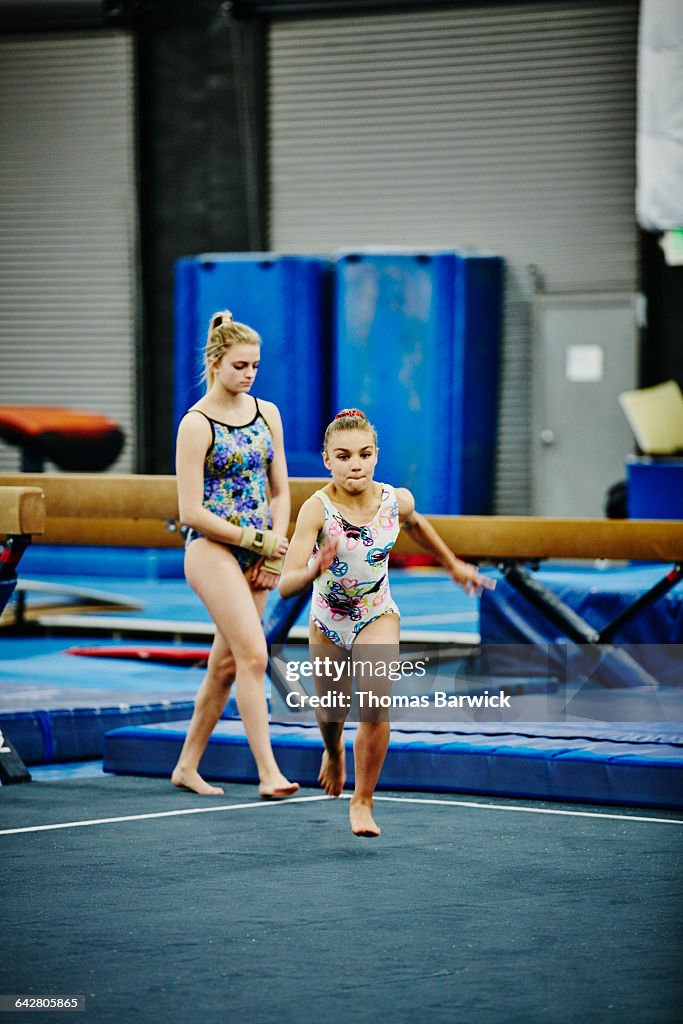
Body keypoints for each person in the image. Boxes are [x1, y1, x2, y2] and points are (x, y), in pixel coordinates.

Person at [278, 408, 495, 837]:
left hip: (377, 612)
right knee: (331, 712)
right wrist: (313, 568)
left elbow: (416, 525)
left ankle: (363, 799)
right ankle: (333, 751)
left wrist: (453, 565)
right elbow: (285, 584)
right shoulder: (315, 510)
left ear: (376, 456)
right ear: (327, 460)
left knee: (375, 706)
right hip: (328, 618)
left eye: (363, 454)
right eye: (343, 456)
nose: (354, 464)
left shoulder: (396, 500)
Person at [172, 310, 299, 799]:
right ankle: (269, 773)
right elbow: (189, 511)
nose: (248, 374)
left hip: (259, 553)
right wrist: (253, 541)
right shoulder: (196, 424)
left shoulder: (267, 413)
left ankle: (186, 766)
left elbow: (281, 490)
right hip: (211, 550)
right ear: (215, 363)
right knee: (252, 654)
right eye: (240, 365)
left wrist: (276, 548)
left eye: (255, 367)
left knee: (225, 667)